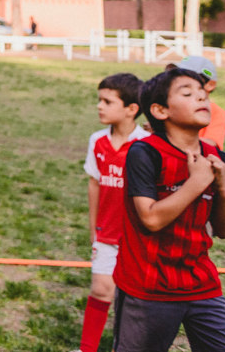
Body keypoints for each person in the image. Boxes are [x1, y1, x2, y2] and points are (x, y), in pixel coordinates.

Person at [113, 68, 225, 352]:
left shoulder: (219, 159)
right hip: (148, 289)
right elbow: (151, 218)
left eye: (202, 92)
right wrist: (196, 182)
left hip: (202, 285)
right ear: (159, 110)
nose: (201, 97)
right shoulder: (144, 153)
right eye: (187, 93)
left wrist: (221, 187)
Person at [78, 73, 148, 352]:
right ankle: (87, 348)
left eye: (108, 101)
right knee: (101, 290)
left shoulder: (147, 144)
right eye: (99, 100)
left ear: (132, 109)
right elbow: (94, 184)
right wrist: (93, 228)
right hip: (106, 233)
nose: (100, 106)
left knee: (132, 300)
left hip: (138, 236)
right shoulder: (97, 140)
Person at [174, 55, 225, 148]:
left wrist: (171, 142)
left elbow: (211, 143)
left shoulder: (215, 112)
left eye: (188, 78)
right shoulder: (172, 105)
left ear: (210, 85)